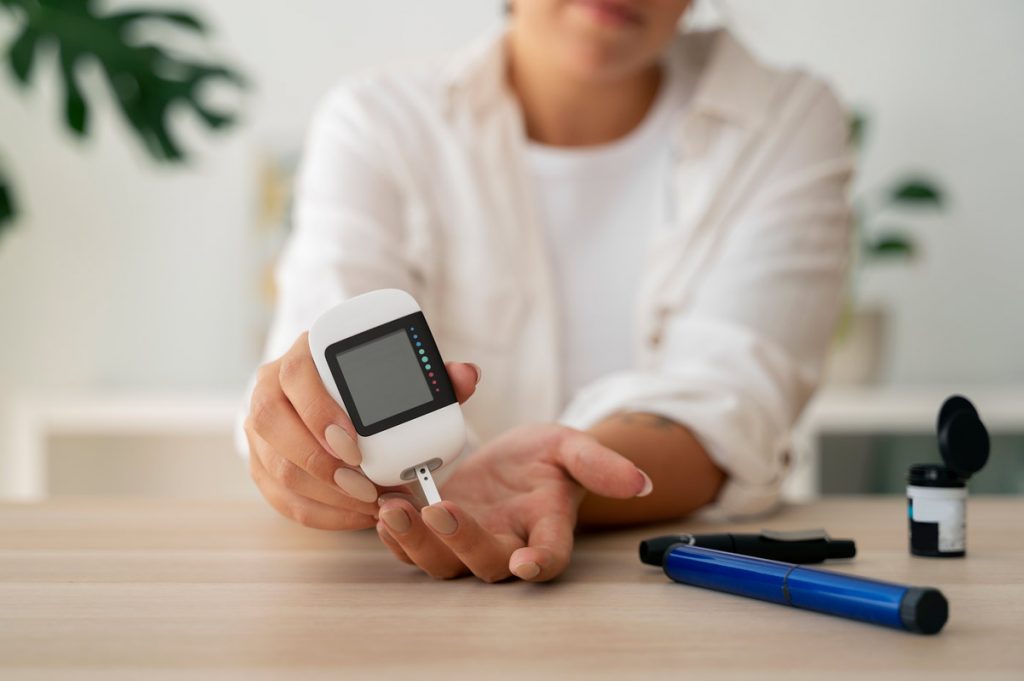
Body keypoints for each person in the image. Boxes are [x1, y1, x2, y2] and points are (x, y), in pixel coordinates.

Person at [240, 0, 852, 583]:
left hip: (658, 588)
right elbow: (320, 364)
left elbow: (733, 404)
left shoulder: (784, 118)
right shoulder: (377, 120)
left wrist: (560, 479)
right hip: (400, 598)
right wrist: (302, 440)